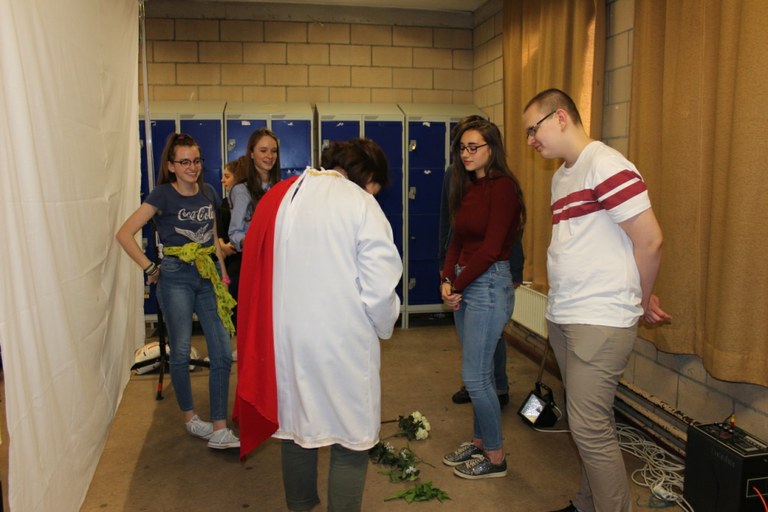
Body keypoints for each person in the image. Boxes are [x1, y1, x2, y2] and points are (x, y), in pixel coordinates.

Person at [522, 88, 671, 512]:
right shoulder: (562, 177)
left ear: (561, 117)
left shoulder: (604, 164)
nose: (530, 140)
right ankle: (586, 504)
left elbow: (651, 241)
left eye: (533, 129)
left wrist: (639, 299)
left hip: (599, 318)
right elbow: (598, 245)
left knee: (590, 429)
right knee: (586, 422)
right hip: (567, 315)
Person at [234, 139, 402, 511]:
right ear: (368, 176)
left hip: (287, 337)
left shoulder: (286, 195)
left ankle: (300, 505)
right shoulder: (360, 203)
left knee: (296, 427)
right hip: (341, 340)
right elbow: (378, 290)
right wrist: (386, 324)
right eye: (376, 186)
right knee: (351, 437)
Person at [116, 132, 240, 450]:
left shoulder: (209, 191)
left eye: (196, 161)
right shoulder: (162, 195)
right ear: (171, 166)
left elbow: (212, 237)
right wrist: (150, 268)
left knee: (222, 351)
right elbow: (125, 234)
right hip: (175, 276)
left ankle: (220, 427)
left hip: (207, 275)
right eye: (184, 162)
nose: (192, 167)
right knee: (181, 351)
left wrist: (223, 274)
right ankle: (190, 418)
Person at [440, 118, 525, 480]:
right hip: (466, 280)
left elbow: (491, 249)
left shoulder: (503, 188)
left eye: (474, 147)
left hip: (488, 284)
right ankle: (479, 443)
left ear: (493, 148)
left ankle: (495, 456)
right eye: (462, 147)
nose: (466, 154)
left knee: (474, 377)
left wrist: (458, 283)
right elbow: (456, 238)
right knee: (481, 373)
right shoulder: (467, 187)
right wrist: (446, 279)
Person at [228, 127, 282, 254]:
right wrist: (252, 241)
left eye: (274, 151)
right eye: (263, 151)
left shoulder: (282, 186)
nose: (270, 156)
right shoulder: (242, 190)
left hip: (279, 254)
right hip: (256, 254)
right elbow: (235, 233)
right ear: (251, 153)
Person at [218, 155, 250, 333]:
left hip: (248, 262)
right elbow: (219, 238)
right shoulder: (224, 204)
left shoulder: (251, 202)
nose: (223, 180)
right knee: (235, 311)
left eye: (227, 176)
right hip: (232, 265)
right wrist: (227, 246)